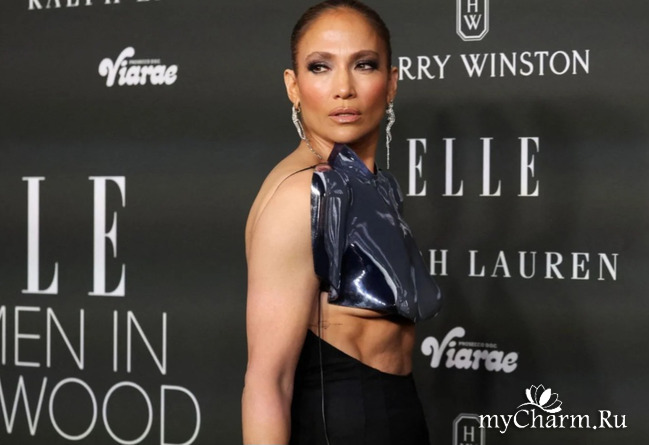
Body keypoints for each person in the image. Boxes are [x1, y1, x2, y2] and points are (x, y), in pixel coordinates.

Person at [242, 1, 441, 444]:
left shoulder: (367, 184)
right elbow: (267, 381)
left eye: (364, 65)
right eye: (320, 67)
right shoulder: (301, 196)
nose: (344, 89)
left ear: (391, 83)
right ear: (293, 86)